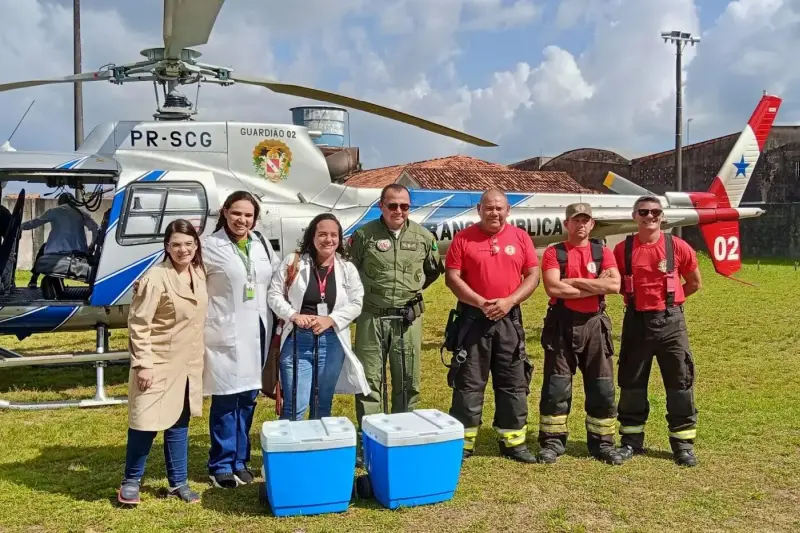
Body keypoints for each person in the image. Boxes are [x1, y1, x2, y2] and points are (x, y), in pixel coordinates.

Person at [443, 189, 539, 463]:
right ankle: (464, 443)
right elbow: (452, 277)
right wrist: (480, 302)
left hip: (509, 319)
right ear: (479, 209)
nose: (494, 212)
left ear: (508, 210)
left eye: (499, 208)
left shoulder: (520, 238)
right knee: (469, 381)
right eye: (489, 208)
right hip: (473, 320)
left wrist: (509, 301)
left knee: (513, 381)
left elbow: (533, 275)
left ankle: (513, 442)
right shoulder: (463, 238)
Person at [117, 219, 208, 505]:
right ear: (167, 247)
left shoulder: (199, 273)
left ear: (196, 245)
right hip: (156, 362)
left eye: (188, 244)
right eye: (176, 244)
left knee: (179, 424)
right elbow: (138, 323)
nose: (183, 249)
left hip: (188, 364)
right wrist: (143, 363)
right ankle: (130, 481)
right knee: (145, 422)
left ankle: (178, 482)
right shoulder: (155, 278)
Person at [613, 195, 702, 467]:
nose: (649, 216)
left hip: (671, 322)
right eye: (644, 211)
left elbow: (695, 283)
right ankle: (630, 442)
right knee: (631, 384)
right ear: (634, 216)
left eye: (655, 212)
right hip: (636, 321)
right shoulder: (622, 249)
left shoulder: (677, 246)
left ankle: (683, 446)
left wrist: (670, 303)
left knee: (679, 384)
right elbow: (614, 283)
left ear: (662, 216)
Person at [203, 190, 280, 488]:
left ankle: (240, 460)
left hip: (257, 327)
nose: (242, 220)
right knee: (225, 397)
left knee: (248, 396)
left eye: (248, 215)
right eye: (237, 213)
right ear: (225, 212)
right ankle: (221, 463)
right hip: (225, 329)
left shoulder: (259, 243)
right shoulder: (209, 247)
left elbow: (275, 277)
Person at [348, 184, 443, 426]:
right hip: (371, 316)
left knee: (408, 379)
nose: (398, 210)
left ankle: (403, 432)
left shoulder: (424, 237)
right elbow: (350, 271)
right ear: (381, 206)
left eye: (404, 206)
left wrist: (409, 292)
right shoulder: (363, 236)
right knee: (369, 380)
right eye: (392, 205)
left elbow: (432, 271)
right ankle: (371, 435)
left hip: (407, 318)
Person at [537, 203, 623, 465]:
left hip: (595, 324)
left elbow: (615, 285)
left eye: (586, 220)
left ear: (592, 224)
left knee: (602, 387)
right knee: (556, 387)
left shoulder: (603, 252)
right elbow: (554, 288)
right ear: (567, 224)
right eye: (576, 220)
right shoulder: (555, 252)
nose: (581, 224)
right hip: (561, 323)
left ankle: (603, 444)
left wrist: (573, 282)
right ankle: (552, 443)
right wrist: (596, 287)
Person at [267, 213, 370, 420]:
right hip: (298, 341)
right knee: (295, 405)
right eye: (322, 234)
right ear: (312, 237)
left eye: (334, 235)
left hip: (331, 342)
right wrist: (293, 315)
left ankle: (317, 450)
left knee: (322, 405)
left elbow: (356, 302)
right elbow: (274, 294)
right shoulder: (294, 262)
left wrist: (331, 320)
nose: (328, 240)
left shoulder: (346, 268)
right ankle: (290, 450)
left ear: (339, 239)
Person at [20, 192, 99, 288]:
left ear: (60, 201)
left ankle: (33, 279)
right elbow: (95, 228)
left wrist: (18, 226)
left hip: (56, 251)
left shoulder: (54, 211)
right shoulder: (81, 213)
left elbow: (34, 223)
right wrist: (92, 245)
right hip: (80, 252)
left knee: (43, 248)